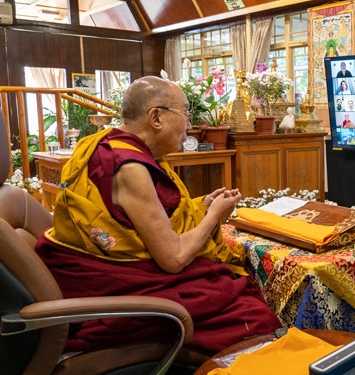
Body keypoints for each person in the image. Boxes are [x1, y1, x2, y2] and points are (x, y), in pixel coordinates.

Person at [35, 76, 282, 354]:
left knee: (234, 286)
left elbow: (143, 216)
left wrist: (201, 206)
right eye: (186, 114)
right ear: (156, 117)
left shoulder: (106, 144)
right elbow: (173, 259)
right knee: (251, 314)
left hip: (123, 274)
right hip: (126, 290)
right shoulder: (130, 167)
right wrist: (214, 216)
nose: (189, 128)